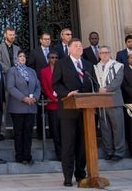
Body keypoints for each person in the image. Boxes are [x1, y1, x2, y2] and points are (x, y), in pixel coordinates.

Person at [52, 38, 95, 187]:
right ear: (69, 49)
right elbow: (56, 83)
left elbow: (93, 84)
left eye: (80, 46)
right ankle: (68, 176)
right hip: (68, 110)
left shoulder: (88, 65)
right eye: (76, 46)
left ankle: (81, 174)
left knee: (82, 145)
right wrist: (67, 94)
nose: (79, 48)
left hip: (85, 111)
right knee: (69, 144)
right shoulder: (61, 64)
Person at [6, 50, 40, 164]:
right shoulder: (12, 71)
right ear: (16, 58)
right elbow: (11, 87)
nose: (22, 58)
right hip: (18, 106)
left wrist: (35, 97)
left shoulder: (32, 71)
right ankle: (19, 156)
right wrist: (23, 98)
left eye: (24, 56)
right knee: (19, 132)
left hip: (31, 106)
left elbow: (37, 86)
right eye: (20, 56)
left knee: (28, 132)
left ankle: (28, 155)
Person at [93, 45, 126, 161]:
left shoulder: (117, 66)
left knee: (118, 127)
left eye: (106, 52)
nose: (104, 54)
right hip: (101, 101)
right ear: (99, 54)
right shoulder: (96, 67)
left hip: (114, 100)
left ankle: (119, 151)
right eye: (102, 53)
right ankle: (109, 150)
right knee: (105, 128)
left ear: (110, 53)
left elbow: (117, 81)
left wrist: (106, 89)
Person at [39, 51, 61, 160]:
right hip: (52, 104)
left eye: (56, 57)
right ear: (48, 59)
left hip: (62, 103)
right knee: (55, 131)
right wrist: (53, 98)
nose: (54, 59)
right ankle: (59, 153)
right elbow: (44, 87)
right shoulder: (44, 71)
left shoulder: (62, 69)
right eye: (52, 57)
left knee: (63, 130)